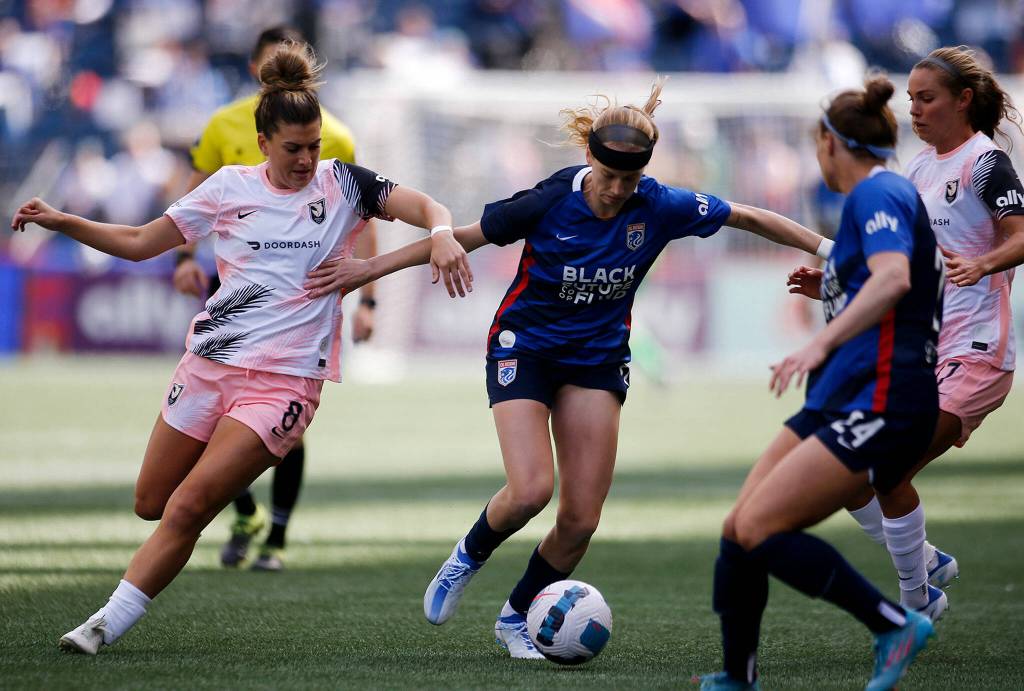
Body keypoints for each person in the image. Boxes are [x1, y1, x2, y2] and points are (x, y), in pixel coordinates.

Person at [304, 79, 832, 658]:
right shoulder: (547, 200)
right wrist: (368, 270)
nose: (614, 191)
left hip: (598, 361)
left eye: (627, 181)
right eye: (607, 178)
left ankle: (514, 618)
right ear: (588, 158)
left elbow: (750, 217)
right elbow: (462, 239)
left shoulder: (659, 205)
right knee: (531, 489)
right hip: (523, 347)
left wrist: (830, 253)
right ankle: (466, 558)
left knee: (580, 520)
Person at [11, 41, 469, 655]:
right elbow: (142, 241)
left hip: (285, 383)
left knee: (189, 507)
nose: (308, 159)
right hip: (208, 366)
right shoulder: (227, 188)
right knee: (152, 503)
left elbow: (428, 208)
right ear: (262, 145)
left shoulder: (344, 184)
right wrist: (63, 220)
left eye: (314, 146)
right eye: (294, 149)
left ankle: (100, 627)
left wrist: (426, 241)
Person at [697, 76, 942, 691]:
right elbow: (877, 281)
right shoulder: (880, 195)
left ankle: (894, 624)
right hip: (844, 394)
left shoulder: (877, 191)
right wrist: (833, 286)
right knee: (739, 527)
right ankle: (738, 677)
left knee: (761, 528)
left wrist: (819, 341)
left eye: (817, 146)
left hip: (882, 396)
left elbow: (893, 280)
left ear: (831, 143)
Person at [789, 46, 1024, 623]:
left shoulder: (985, 162)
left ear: (963, 100)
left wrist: (985, 264)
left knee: (886, 467)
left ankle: (915, 604)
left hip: (976, 354)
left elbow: (1021, 233)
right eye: (911, 99)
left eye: (927, 99)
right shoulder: (917, 169)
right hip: (922, 350)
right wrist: (835, 281)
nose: (915, 110)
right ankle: (926, 565)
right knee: (849, 478)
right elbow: (901, 260)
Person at [174, 25, 380, 572]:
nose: (306, 157)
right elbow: (190, 202)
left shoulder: (334, 137)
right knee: (212, 425)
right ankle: (242, 512)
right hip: (236, 296)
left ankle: (277, 534)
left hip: (303, 306)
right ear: (256, 72)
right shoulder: (223, 126)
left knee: (281, 426)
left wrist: (368, 295)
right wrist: (182, 261)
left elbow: (364, 214)